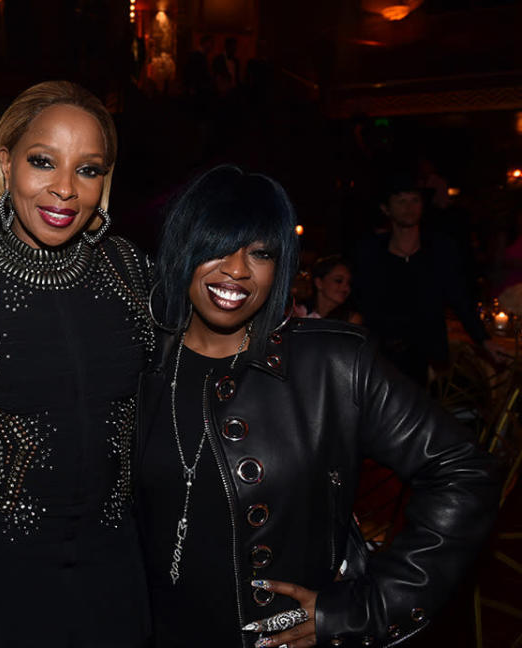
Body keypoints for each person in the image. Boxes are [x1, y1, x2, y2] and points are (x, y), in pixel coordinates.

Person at [136, 165, 499, 648]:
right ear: (183, 249)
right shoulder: (139, 362)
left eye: (261, 253)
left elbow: (464, 470)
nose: (239, 270)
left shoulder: (331, 362)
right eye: (219, 244)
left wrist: (370, 604)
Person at [0, 81, 154, 647]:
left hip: (116, 558)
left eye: (88, 169)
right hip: (6, 564)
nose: (64, 190)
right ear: (5, 163)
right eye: (43, 162)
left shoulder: (130, 271)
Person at [353, 171, 497, 384]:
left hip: (428, 360)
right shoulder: (372, 252)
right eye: (401, 201)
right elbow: (360, 302)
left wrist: (484, 340)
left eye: (415, 200)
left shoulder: (440, 250)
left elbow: (460, 298)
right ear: (386, 209)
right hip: (382, 357)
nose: (409, 207)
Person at [303, 254, 362, 323]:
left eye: (349, 283)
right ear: (319, 283)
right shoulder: (299, 312)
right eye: (338, 281)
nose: (346, 288)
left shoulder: (351, 319)